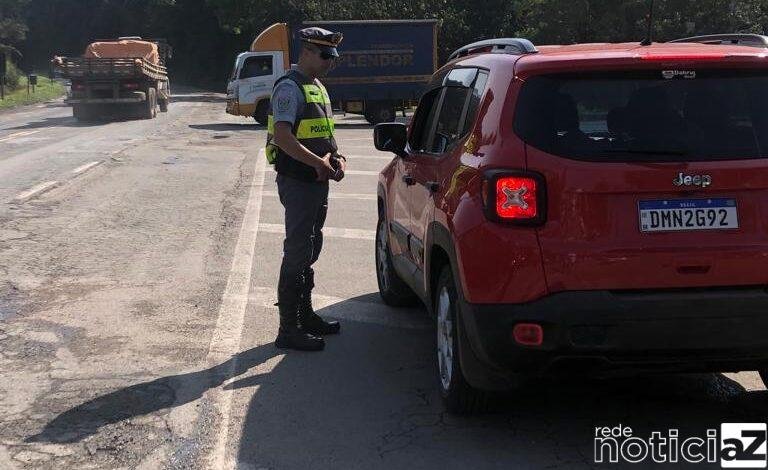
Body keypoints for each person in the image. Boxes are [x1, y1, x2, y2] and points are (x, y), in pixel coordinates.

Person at [265, 27, 347, 351]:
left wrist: (337, 157)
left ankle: (305, 315)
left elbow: (324, 135)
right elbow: (283, 137)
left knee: (311, 248)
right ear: (307, 52)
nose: (330, 62)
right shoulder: (289, 87)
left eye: (333, 57)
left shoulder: (318, 87)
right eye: (325, 55)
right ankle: (288, 329)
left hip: (316, 181)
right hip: (298, 181)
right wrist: (317, 163)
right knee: (297, 250)